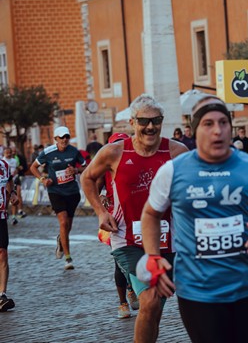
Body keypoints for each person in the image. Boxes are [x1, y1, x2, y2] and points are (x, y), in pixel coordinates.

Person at [138, 96, 248, 343]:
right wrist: (153, 256)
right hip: (196, 290)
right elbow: (150, 214)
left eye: (223, 123)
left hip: (243, 288)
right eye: (208, 124)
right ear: (196, 130)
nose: (217, 130)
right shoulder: (174, 170)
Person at [80, 94, 188, 342]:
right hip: (127, 238)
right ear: (132, 122)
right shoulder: (114, 152)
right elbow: (87, 178)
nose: (150, 127)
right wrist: (100, 211)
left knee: (154, 306)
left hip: (168, 239)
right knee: (149, 299)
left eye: (156, 120)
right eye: (144, 121)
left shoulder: (177, 151)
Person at [30, 127, 87, 270]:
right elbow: (33, 167)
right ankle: (68, 258)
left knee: (68, 225)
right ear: (56, 139)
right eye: (61, 137)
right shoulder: (48, 152)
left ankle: (61, 240)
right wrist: (43, 179)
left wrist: (76, 170)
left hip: (72, 192)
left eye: (67, 136)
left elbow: (87, 167)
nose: (65, 140)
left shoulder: (74, 152)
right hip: (55, 191)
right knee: (63, 222)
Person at [96, 132, 139, 319]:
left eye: (123, 143)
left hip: (137, 217)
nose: (120, 148)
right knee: (119, 261)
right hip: (116, 219)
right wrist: (101, 204)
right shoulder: (105, 167)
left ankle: (132, 288)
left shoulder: (136, 163)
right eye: (116, 144)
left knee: (138, 257)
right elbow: (93, 187)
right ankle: (122, 302)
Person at [0, 156, 18, 311]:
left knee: (3, 253)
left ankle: (2, 294)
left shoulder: (3, 165)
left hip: (1, 217)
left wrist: (12, 193)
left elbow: (10, 180)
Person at [2, 149, 18, 225]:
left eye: (10, 153)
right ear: (4, 153)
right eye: (7, 153)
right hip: (4, 183)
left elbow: (17, 169)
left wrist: (15, 173)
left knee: (14, 197)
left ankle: (14, 216)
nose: (8, 154)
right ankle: (5, 211)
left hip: (13, 180)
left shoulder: (14, 160)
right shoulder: (3, 161)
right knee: (6, 198)